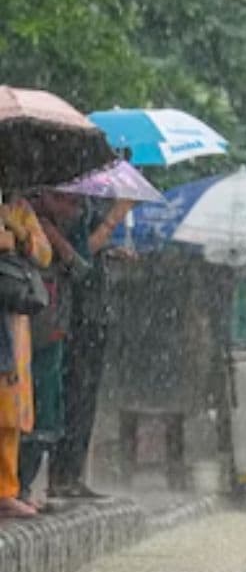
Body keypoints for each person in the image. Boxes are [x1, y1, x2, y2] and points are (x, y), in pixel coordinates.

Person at [50, 197, 133, 498]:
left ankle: (73, 473)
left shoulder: (87, 204)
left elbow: (93, 251)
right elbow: (79, 256)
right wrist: (115, 217)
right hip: (75, 316)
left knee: (86, 397)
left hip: (95, 313)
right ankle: (62, 475)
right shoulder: (72, 208)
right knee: (74, 394)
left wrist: (110, 252)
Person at [20, 190, 88, 504]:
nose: (73, 209)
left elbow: (80, 269)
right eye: (66, 200)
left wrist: (55, 238)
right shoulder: (20, 219)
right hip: (24, 332)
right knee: (23, 412)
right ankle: (16, 485)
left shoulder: (62, 230)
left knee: (46, 413)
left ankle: (24, 485)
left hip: (51, 333)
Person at [0, 197, 52, 518]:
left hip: (11, 320)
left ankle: (6, 489)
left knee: (9, 414)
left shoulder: (18, 208)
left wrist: (16, 231)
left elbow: (44, 255)